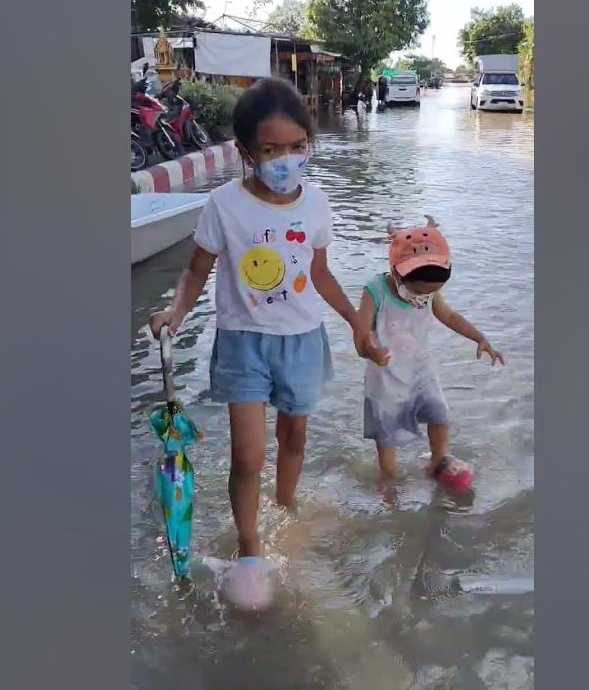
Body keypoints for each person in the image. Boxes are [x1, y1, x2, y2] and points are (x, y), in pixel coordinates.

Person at [149, 78, 387, 610]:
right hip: (243, 344)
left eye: (297, 148)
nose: (286, 160)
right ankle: (250, 548)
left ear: (309, 143)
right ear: (246, 152)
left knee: (295, 440)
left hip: (301, 340)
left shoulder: (318, 201)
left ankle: (286, 507)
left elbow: (319, 273)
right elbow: (195, 271)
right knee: (248, 454)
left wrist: (355, 321)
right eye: (271, 150)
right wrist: (175, 311)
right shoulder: (223, 205)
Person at [356, 215, 505, 496]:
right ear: (398, 272)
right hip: (386, 375)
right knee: (387, 435)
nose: (423, 296)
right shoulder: (375, 290)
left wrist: (480, 338)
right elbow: (361, 332)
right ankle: (388, 480)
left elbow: (447, 315)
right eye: (419, 290)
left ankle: (438, 460)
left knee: (439, 414)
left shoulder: (429, 290)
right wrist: (372, 350)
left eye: (432, 291)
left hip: (421, 369)